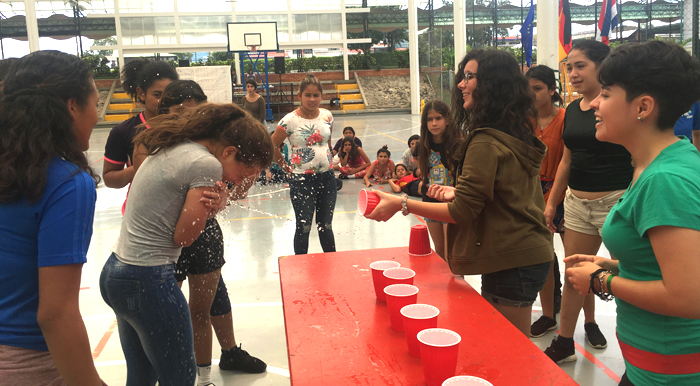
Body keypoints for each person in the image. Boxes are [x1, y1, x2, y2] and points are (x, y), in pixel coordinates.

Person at [366, 49, 553, 337]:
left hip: (514, 258)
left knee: (507, 350)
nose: (461, 85)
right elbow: (508, 190)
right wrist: (460, 191)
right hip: (520, 252)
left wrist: (402, 202)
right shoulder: (512, 131)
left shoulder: (485, 141)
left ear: (491, 83)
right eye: (461, 77)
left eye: (469, 77)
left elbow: (461, 213)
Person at [99, 103, 273, 386]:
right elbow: (184, 236)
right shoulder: (206, 163)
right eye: (241, 174)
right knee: (179, 378)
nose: (235, 182)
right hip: (148, 278)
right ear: (228, 152)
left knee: (141, 376)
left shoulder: (175, 145)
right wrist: (216, 207)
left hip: (117, 271)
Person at [566, 40, 700, 386]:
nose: (595, 102)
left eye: (607, 94)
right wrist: (609, 264)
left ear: (643, 107)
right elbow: (662, 263)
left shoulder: (665, 180)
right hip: (648, 364)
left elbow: (687, 296)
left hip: (672, 372)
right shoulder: (656, 163)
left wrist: (601, 281)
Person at [0, 51, 104, 385]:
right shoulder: (67, 182)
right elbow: (55, 314)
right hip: (24, 363)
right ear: (72, 106)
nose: (97, 117)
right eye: (94, 104)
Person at [543, 40, 634, 363]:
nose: (573, 73)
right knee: (575, 273)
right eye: (569, 67)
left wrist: (630, 199)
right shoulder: (571, 110)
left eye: (581, 66)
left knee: (630, 275)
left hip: (615, 202)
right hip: (577, 203)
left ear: (602, 65)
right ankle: (564, 341)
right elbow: (566, 161)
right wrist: (553, 203)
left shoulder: (618, 105)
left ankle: (633, 353)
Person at [271, 74, 337, 255]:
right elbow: (272, 146)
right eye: (307, 95)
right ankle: (300, 265)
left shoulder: (327, 116)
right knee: (304, 226)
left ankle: (333, 263)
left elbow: (327, 140)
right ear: (299, 96)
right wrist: (287, 170)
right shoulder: (289, 121)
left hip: (328, 178)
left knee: (326, 226)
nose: (312, 99)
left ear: (321, 96)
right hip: (302, 181)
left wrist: (328, 156)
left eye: (316, 95)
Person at [102, 59, 178, 214]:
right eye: (157, 95)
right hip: (141, 214)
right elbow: (109, 178)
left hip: (180, 211)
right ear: (141, 93)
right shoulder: (123, 132)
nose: (164, 101)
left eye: (170, 95)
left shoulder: (188, 127)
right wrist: (141, 167)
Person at [526, 65, 566, 338]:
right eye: (528, 89)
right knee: (544, 258)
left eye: (538, 88)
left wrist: (553, 198)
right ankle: (549, 314)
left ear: (552, 90)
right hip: (532, 194)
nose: (532, 94)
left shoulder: (566, 119)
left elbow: (568, 161)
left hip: (562, 194)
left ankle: (587, 321)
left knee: (573, 257)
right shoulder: (524, 121)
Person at [415, 100, 462, 259]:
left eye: (438, 118)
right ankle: (446, 282)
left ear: (448, 119)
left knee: (452, 250)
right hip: (430, 201)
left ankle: (457, 280)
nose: (434, 123)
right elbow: (421, 167)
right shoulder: (422, 145)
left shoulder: (458, 143)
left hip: (451, 202)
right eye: (429, 119)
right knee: (440, 249)